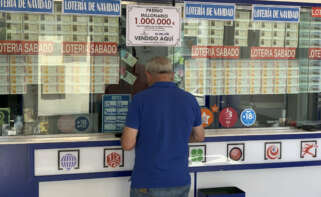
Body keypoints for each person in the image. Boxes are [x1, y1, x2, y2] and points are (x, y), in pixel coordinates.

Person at [121, 56, 205, 197]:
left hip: (148, 181)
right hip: (180, 180)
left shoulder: (139, 100)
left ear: (148, 75)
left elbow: (128, 144)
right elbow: (199, 136)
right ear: (172, 75)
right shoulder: (190, 99)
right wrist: (177, 137)